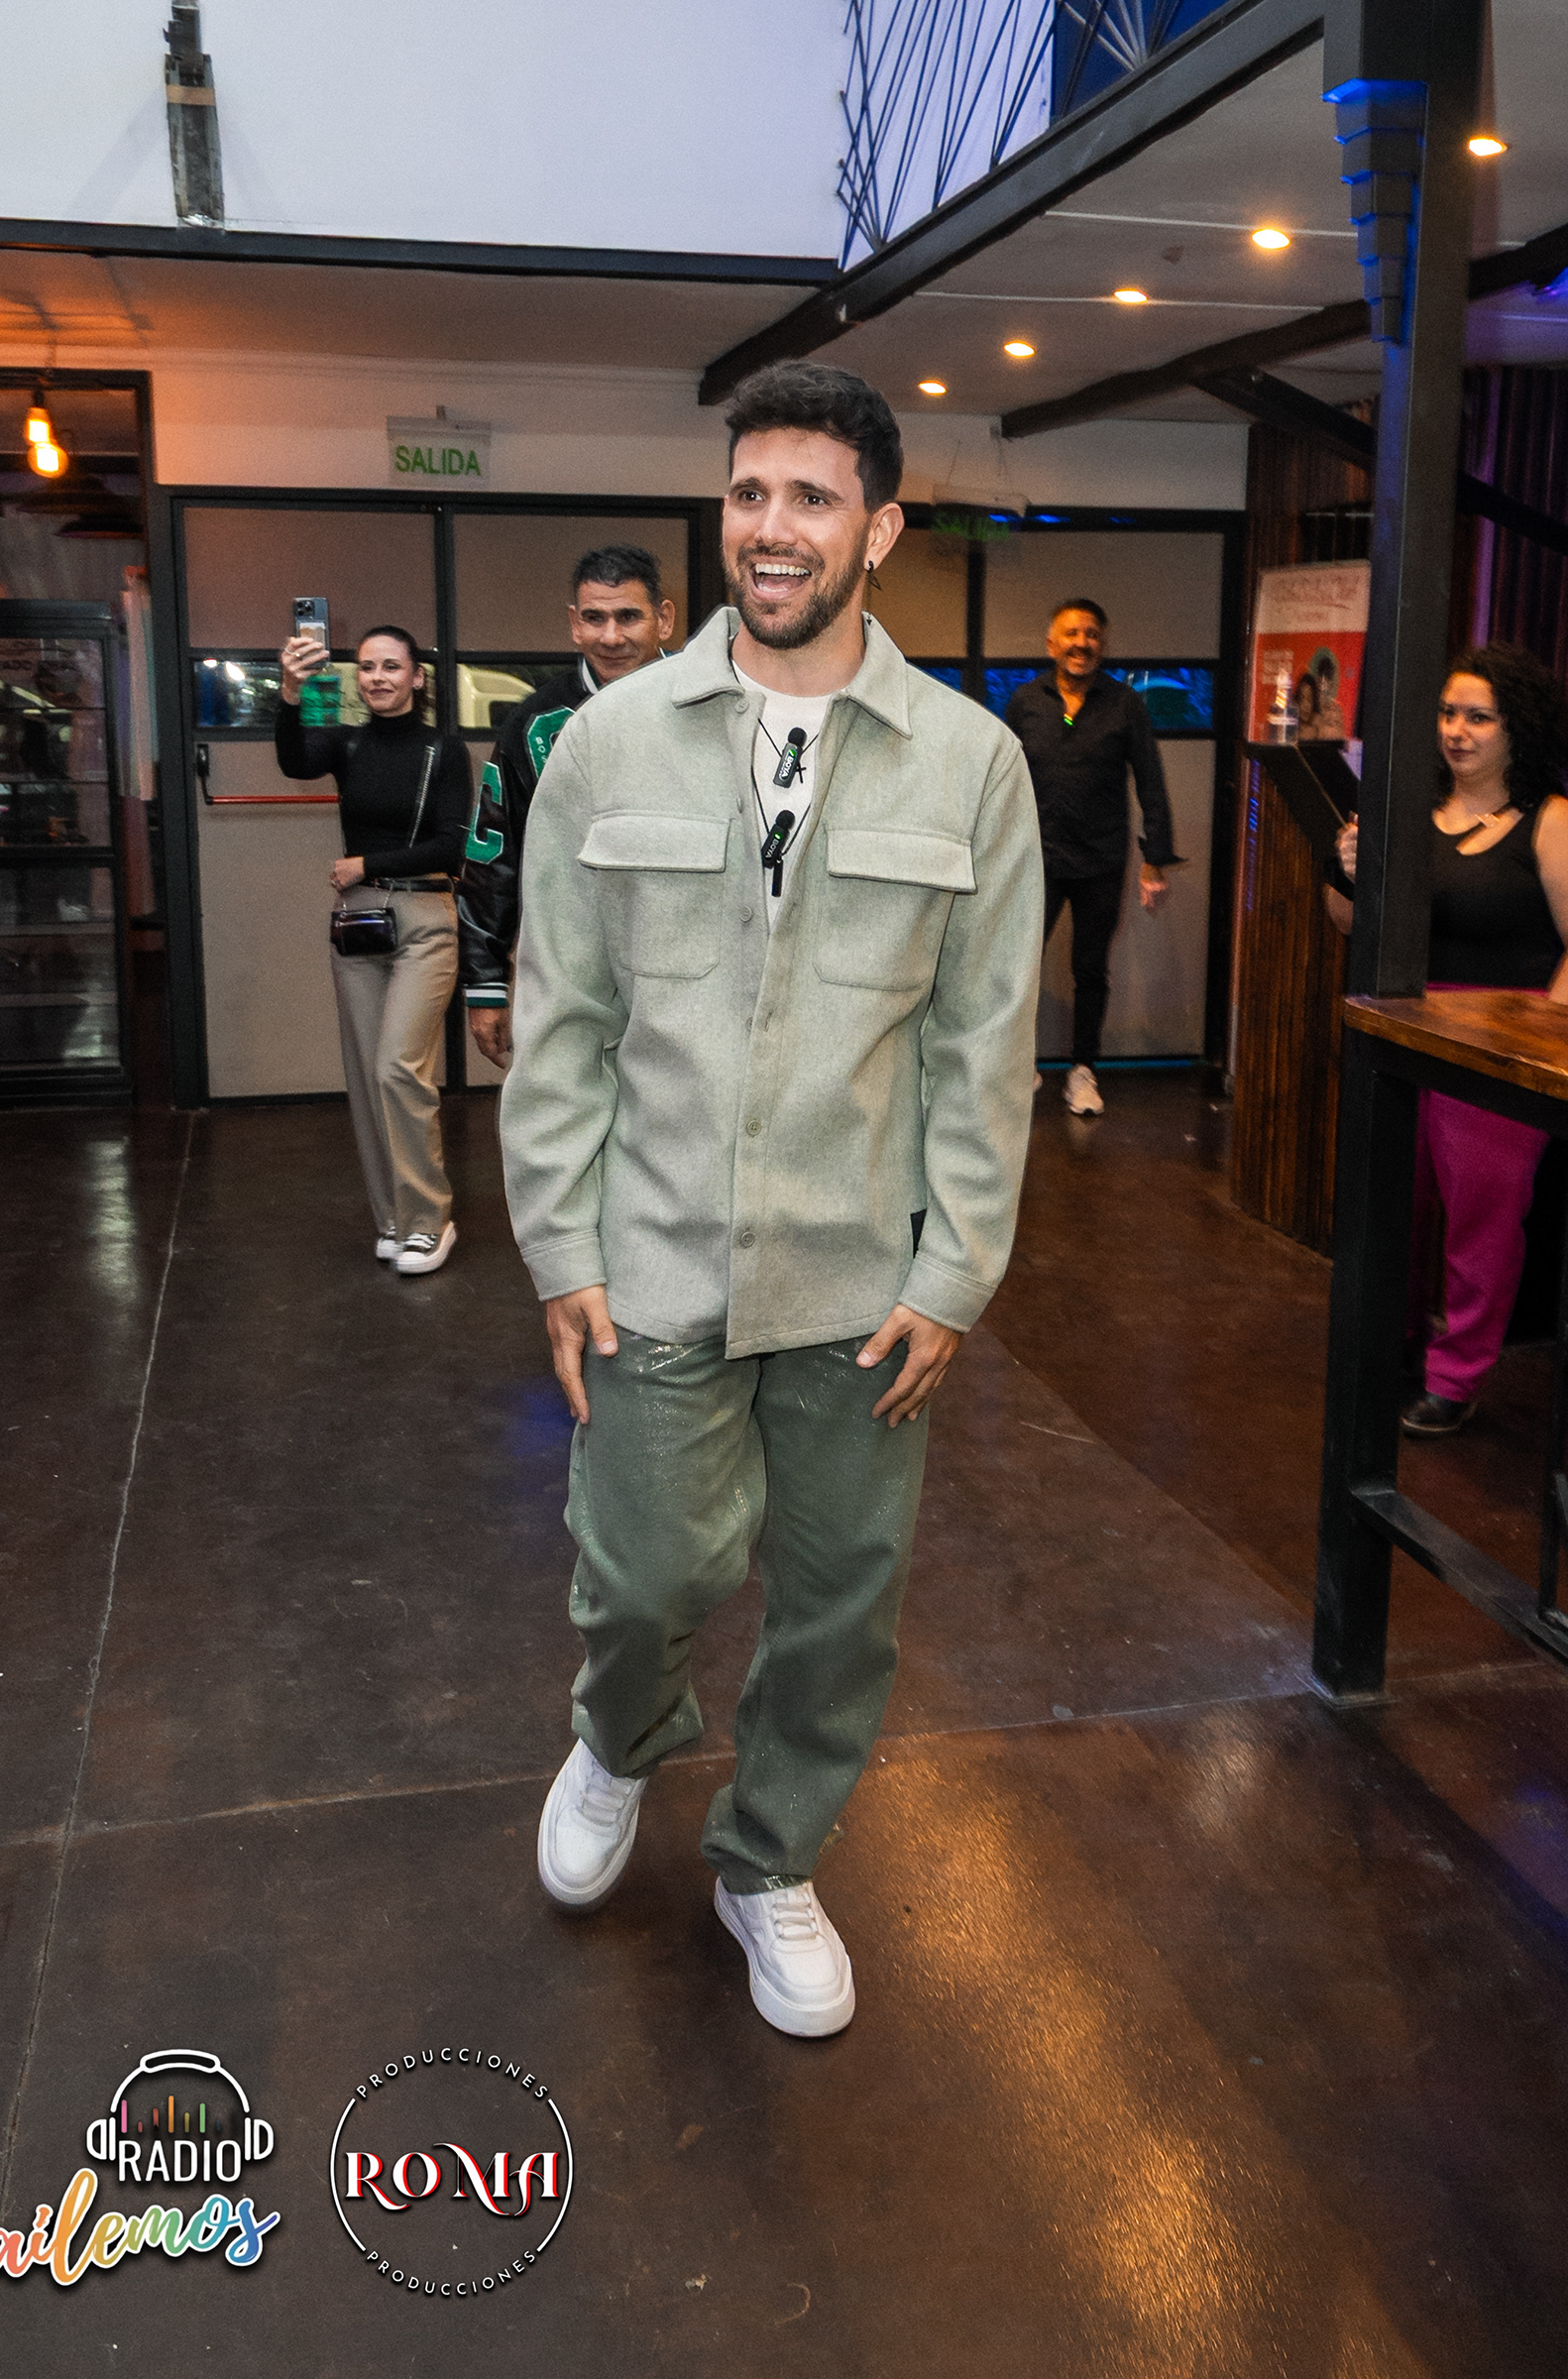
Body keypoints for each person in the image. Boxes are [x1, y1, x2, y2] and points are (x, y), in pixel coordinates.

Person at [501, 360, 1043, 2037]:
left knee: (837, 1607)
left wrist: (955, 1273)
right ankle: (618, 1739)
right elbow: (561, 1018)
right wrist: (559, 1241)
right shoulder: (607, 744)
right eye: (748, 493)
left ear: (880, 530)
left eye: (811, 496)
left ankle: (769, 1857)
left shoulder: (970, 763)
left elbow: (987, 1046)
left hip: (859, 1276)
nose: (772, 526)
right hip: (654, 1252)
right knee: (648, 1571)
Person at [1327, 643, 1568, 1436]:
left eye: (1478, 717)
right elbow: (1347, 922)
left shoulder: (1553, 822)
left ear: (1517, 727)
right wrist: (1348, 867)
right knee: (1395, 1207)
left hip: (1499, 1044)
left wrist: (1542, 1041)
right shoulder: (1408, 809)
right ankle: (1392, 1349)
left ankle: (1456, 1376)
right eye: (1449, 713)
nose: (1456, 730)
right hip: (1406, 1030)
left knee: (1481, 1219)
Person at [276, 623, 472, 1274]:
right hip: (358, 920)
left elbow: (453, 844)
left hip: (424, 917)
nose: (378, 678)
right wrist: (291, 691)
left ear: (417, 677)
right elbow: (294, 761)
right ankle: (392, 1218)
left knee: (396, 1067)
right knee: (366, 1074)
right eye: (366, 667)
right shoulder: (347, 742)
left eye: (391, 666)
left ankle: (430, 1221)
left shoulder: (442, 749)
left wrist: (368, 862)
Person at [460, 544, 675, 1070]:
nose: (611, 636)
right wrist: (486, 983)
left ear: (664, 620)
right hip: (571, 962)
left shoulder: (711, 705)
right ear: (575, 625)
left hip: (685, 957)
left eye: (629, 617)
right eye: (595, 618)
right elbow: (494, 851)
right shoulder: (535, 725)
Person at [1003, 598, 1177, 1116]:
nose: (1082, 642)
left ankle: (1082, 1071)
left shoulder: (1126, 705)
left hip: (1101, 859)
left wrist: (1155, 858)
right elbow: (1000, 780)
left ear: (1102, 644)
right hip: (1036, 858)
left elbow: (1151, 781)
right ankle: (1018, 1066)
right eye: (1072, 633)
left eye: (1092, 634)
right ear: (1051, 644)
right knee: (1016, 967)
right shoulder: (1025, 701)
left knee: (1090, 969)